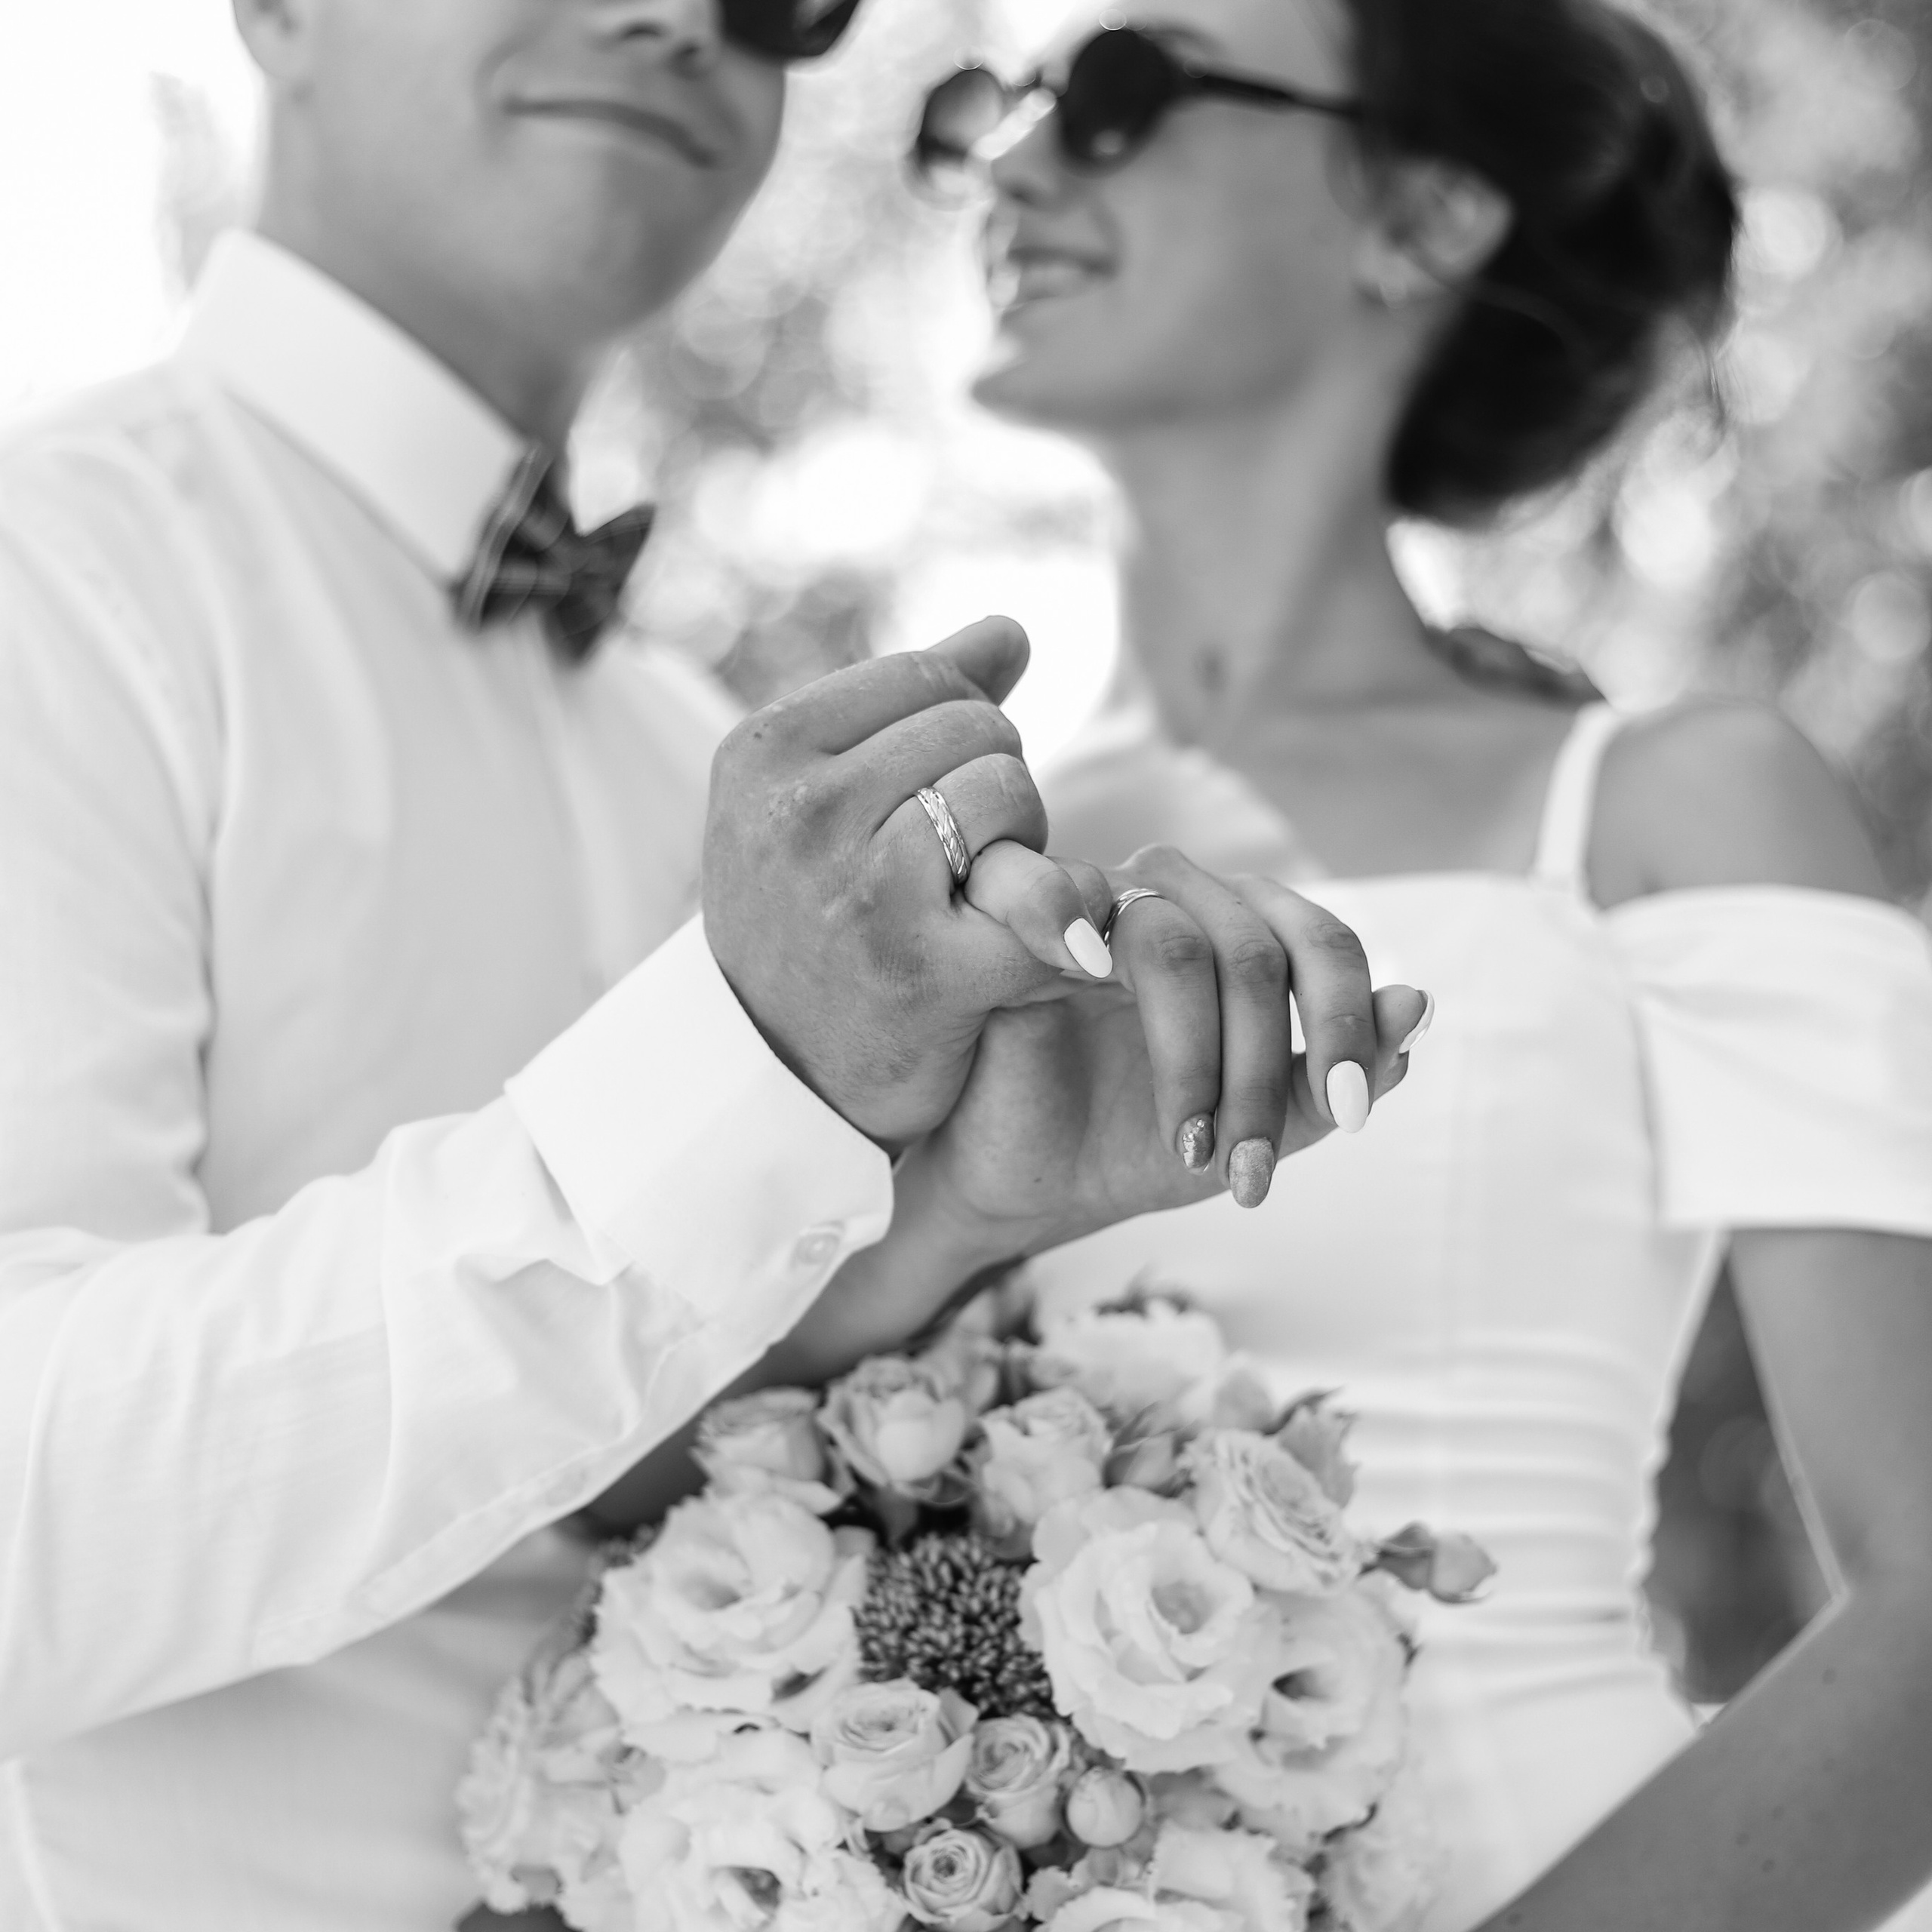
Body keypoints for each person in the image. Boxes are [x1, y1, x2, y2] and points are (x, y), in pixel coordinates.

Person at [0, 0, 1427, 1924]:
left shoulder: (695, 747)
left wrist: (944, 1227)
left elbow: (599, 1499)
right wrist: (745, 1076)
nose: (678, 15)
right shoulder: (49, 572)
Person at [913, 0, 1932, 1927]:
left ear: (1425, 220)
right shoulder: (932, 852)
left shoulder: (1672, 801)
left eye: (1122, 90)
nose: (1020, 158)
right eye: (1011, 104)